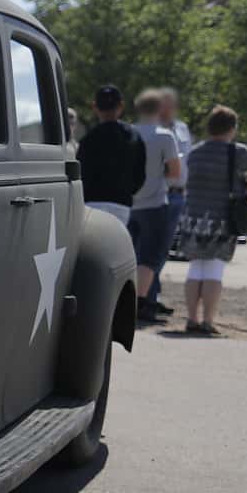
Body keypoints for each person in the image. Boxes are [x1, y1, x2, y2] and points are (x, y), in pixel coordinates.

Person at [175, 104, 247, 336]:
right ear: (231, 128)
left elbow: (185, 181)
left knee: (195, 269)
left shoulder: (195, 152)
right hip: (221, 218)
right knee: (214, 270)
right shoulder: (239, 152)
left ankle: (191, 318)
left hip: (192, 218)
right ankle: (208, 321)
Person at [129, 89, 183, 324]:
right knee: (150, 256)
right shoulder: (164, 136)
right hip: (155, 201)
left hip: (129, 201)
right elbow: (175, 171)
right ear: (159, 108)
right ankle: (141, 302)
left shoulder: (128, 132)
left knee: (130, 253)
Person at [75, 85, 145, 228]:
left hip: (91, 204)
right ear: (121, 106)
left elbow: (80, 173)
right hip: (121, 203)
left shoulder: (89, 138)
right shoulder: (133, 136)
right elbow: (140, 175)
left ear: (95, 107)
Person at [151, 87, 192, 310]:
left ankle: (153, 295)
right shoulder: (151, 130)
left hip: (179, 196)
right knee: (151, 247)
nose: (167, 108)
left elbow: (189, 162)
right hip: (159, 195)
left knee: (164, 247)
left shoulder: (183, 129)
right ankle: (148, 297)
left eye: (170, 103)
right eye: (162, 103)